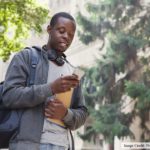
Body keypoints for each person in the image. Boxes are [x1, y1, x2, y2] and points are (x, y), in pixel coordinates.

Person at [2, 12, 88, 150]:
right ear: (49, 29)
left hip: (63, 146)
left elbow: (82, 113)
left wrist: (65, 114)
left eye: (71, 35)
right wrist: (51, 88)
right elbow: (9, 96)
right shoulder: (26, 57)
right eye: (61, 31)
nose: (66, 36)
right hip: (28, 145)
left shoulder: (73, 72)